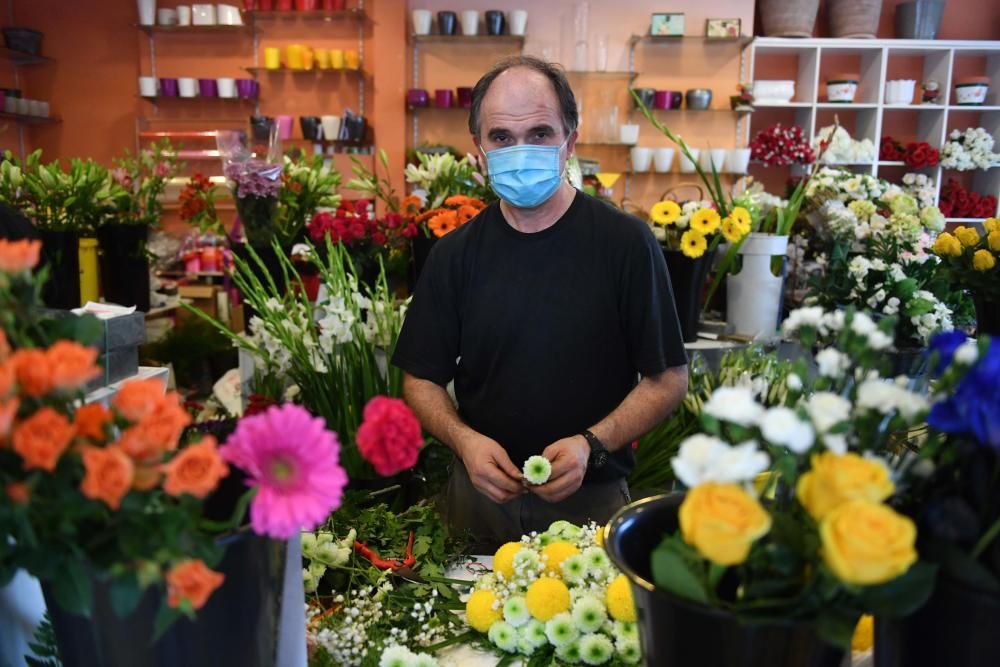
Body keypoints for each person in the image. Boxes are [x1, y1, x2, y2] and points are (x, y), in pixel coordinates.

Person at [391, 56, 689, 550]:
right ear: (479, 150)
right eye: (502, 137)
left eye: (540, 133)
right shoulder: (454, 254)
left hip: (590, 502)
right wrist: (465, 442)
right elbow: (420, 378)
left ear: (570, 141)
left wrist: (592, 444)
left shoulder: (625, 244)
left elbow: (668, 379)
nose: (520, 150)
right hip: (478, 500)